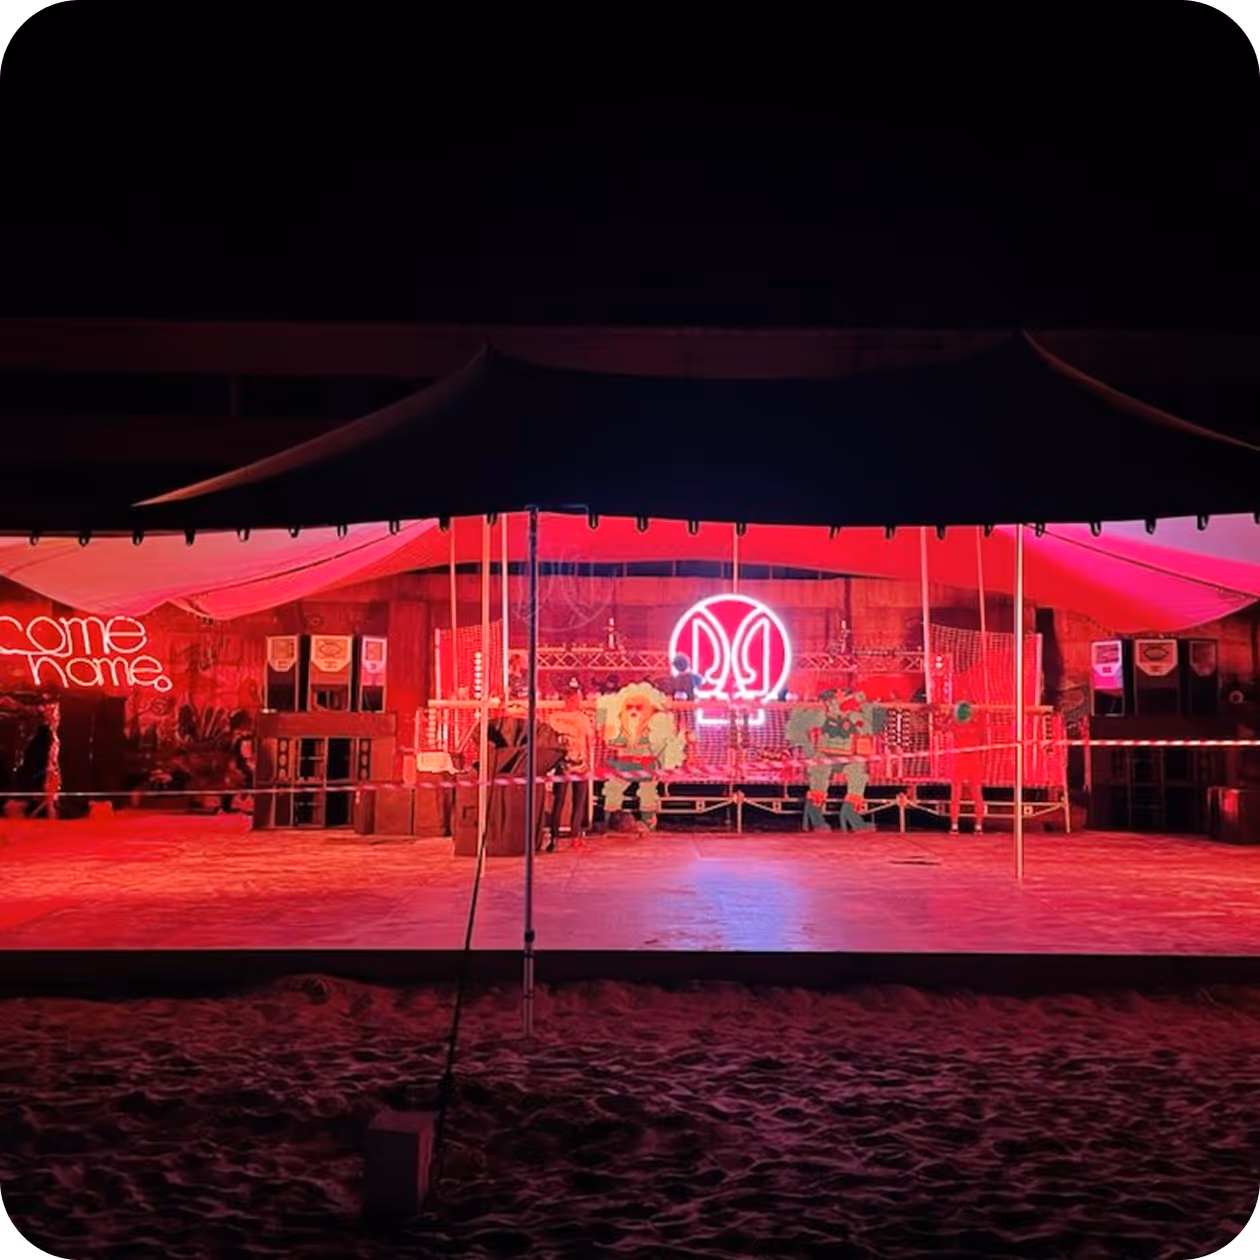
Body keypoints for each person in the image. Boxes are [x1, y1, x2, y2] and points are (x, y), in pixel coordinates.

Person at [545, 679, 592, 850]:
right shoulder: (555, 717)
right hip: (563, 764)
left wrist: (589, 763)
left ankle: (575, 837)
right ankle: (554, 838)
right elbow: (553, 736)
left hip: (581, 764)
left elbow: (589, 741)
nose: (579, 702)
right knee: (560, 801)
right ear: (569, 700)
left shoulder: (584, 718)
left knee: (579, 802)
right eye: (577, 699)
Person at [942, 700, 986, 833]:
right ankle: (978, 827)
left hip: (959, 761)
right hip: (975, 762)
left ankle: (954, 826)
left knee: (956, 794)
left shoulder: (955, 725)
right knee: (977, 794)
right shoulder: (977, 725)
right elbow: (983, 739)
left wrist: (949, 715)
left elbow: (941, 727)